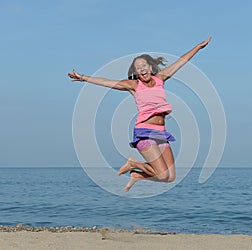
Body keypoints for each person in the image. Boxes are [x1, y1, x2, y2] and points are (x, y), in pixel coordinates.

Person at [68, 37, 211, 192]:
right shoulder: (134, 85)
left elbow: (181, 62)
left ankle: (137, 175)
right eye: (138, 68)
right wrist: (83, 77)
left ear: (150, 67)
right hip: (145, 132)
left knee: (170, 177)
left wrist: (198, 47)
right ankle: (133, 164)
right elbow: (106, 81)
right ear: (135, 72)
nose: (142, 69)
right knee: (162, 175)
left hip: (161, 133)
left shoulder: (160, 79)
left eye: (144, 65)